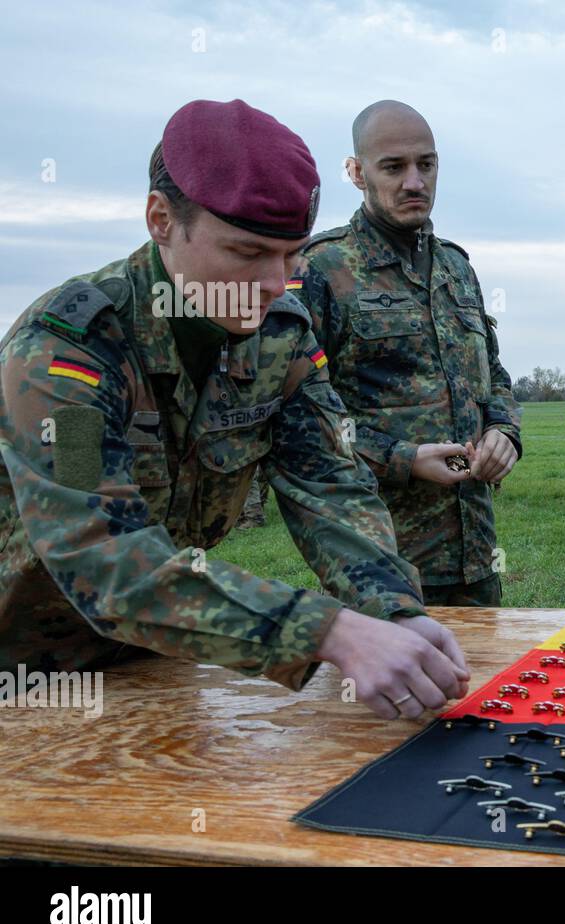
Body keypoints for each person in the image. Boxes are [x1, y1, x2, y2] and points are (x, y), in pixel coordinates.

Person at [0, 99, 468, 720]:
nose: (277, 281)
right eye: (248, 253)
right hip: (23, 680)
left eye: (293, 253)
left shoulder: (281, 334)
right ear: (161, 219)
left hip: (155, 663)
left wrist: (393, 610)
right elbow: (100, 555)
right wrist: (327, 632)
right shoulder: (71, 352)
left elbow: (329, 484)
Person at [292, 100, 522, 608]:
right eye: (394, 167)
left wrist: (504, 431)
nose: (414, 182)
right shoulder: (322, 269)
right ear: (356, 172)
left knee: (489, 683)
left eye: (427, 164)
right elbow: (299, 419)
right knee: (389, 688)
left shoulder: (457, 267)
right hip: (379, 560)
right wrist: (402, 460)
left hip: (475, 552)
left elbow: (496, 376)